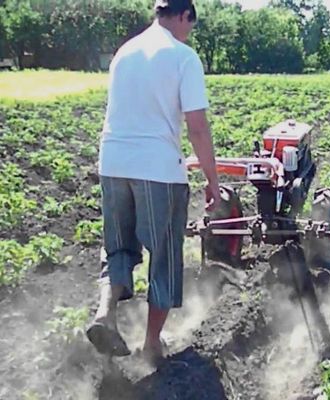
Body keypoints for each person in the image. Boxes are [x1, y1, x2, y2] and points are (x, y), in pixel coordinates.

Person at [86, 0, 220, 366]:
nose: (188, 32)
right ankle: (151, 343)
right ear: (182, 16)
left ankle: (105, 313)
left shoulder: (123, 53)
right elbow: (196, 126)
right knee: (162, 257)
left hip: (113, 162)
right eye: (189, 25)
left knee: (118, 247)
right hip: (157, 171)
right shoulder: (182, 56)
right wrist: (213, 181)